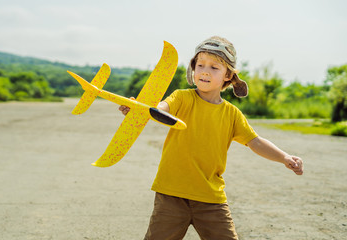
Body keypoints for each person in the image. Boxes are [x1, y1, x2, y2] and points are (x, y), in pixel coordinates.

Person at [119, 36, 304, 240]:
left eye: (214, 67)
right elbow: (161, 108)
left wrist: (284, 157)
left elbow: (255, 141)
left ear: (228, 75)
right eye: (200, 65)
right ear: (193, 70)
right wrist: (142, 109)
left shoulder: (232, 114)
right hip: (171, 195)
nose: (205, 71)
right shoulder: (182, 98)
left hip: (211, 199)